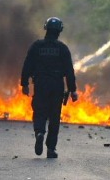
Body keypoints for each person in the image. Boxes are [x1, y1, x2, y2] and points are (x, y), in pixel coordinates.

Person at [21, 17, 78, 158]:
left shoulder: (37, 46)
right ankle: (51, 149)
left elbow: (27, 66)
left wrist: (24, 84)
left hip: (41, 84)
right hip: (57, 85)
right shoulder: (62, 48)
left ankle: (40, 132)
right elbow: (69, 72)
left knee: (40, 111)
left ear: (46, 29)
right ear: (59, 31)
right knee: (54, 117)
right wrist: (73, 90)